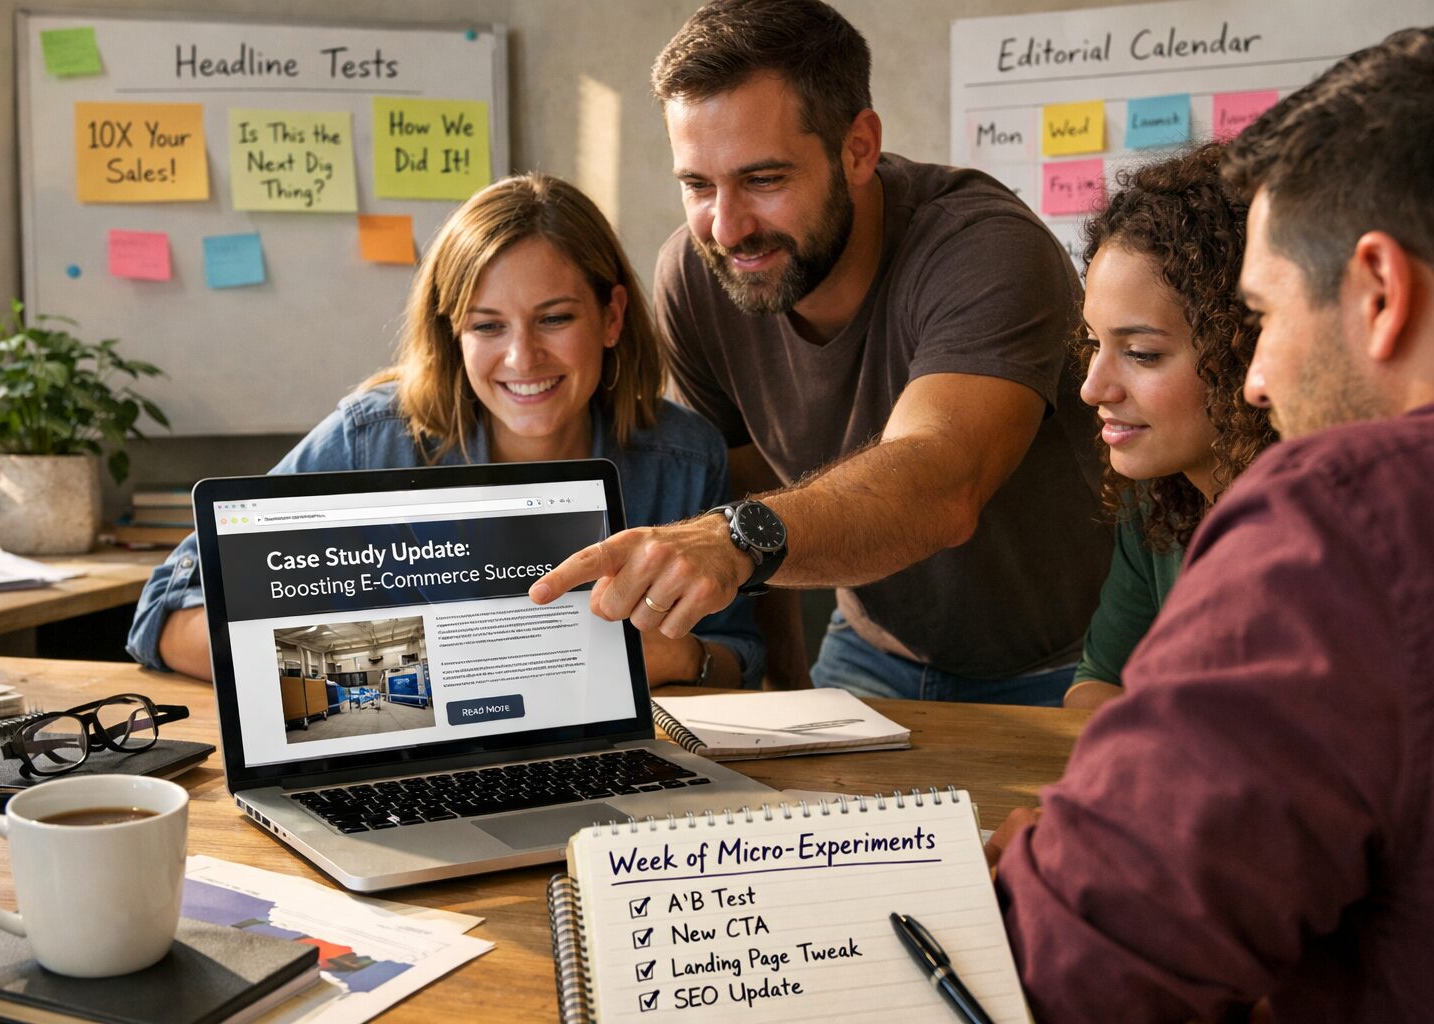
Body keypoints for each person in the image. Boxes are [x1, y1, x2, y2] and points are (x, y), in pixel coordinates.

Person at [989, 27, 1434, 1020]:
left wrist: (1067, 857)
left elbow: (1080, 966)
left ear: (1381, 291)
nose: (1262, 379)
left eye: (1265, 317)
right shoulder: (1169, 509)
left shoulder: (1343, 520)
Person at [530, 0, 1111, 705]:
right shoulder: (697, 273)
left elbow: (941, 482)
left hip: (1077, 662)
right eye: (697, 185)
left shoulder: (985, 248)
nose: (727, 226)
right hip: (872, 648)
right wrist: (785, 689)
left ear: (858, 147)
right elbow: (752, 494)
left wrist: (733, 538)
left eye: (764, 179)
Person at [127, 173, 764, 689]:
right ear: (452, 335)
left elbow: (739, 652)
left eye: (555, 318)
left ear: (611, 316)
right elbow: (165, 610)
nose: (522, 359)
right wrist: (344, 675)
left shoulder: (682, 458)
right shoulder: (370, 440)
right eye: (487, 326)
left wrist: (678, 659)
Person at [1063, 144, 1276, 712]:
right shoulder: (1161, 495)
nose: (1092, 387)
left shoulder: (1314, 523)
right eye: (1092, 344)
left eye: (1140, 353)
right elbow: (1098, 681)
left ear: (1243, 348)